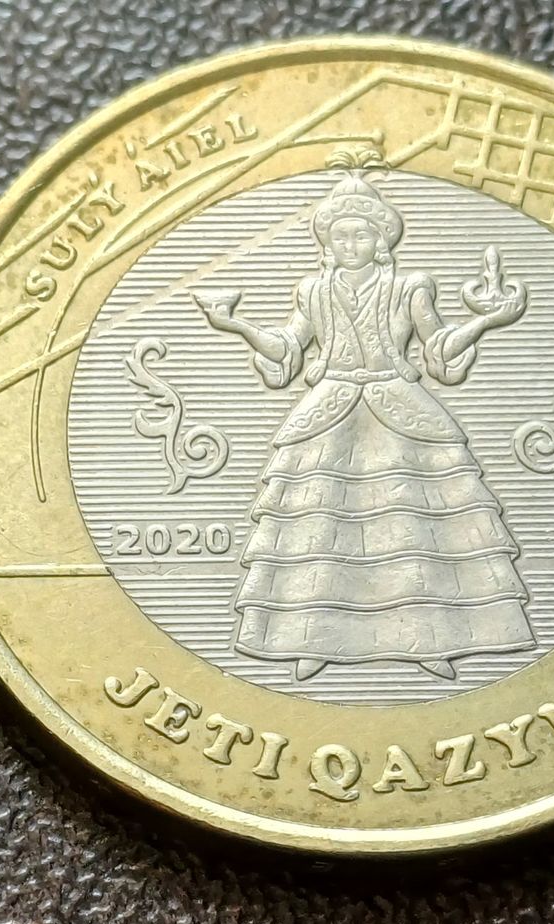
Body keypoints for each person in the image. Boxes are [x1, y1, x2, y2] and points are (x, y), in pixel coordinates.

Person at [193, 168, 536, 681]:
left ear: (381, 240)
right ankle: (311, 640)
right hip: (328, 410)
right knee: (318, 529)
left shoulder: (408, 287)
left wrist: (487, 320)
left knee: (415, 530)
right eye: (340, 236)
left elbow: (438, 346)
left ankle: (432, 642)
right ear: (327, 244)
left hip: (399, 408)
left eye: (360, 235)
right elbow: (287, 348)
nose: (350, 244)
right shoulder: (313, 291)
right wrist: (234, 324)